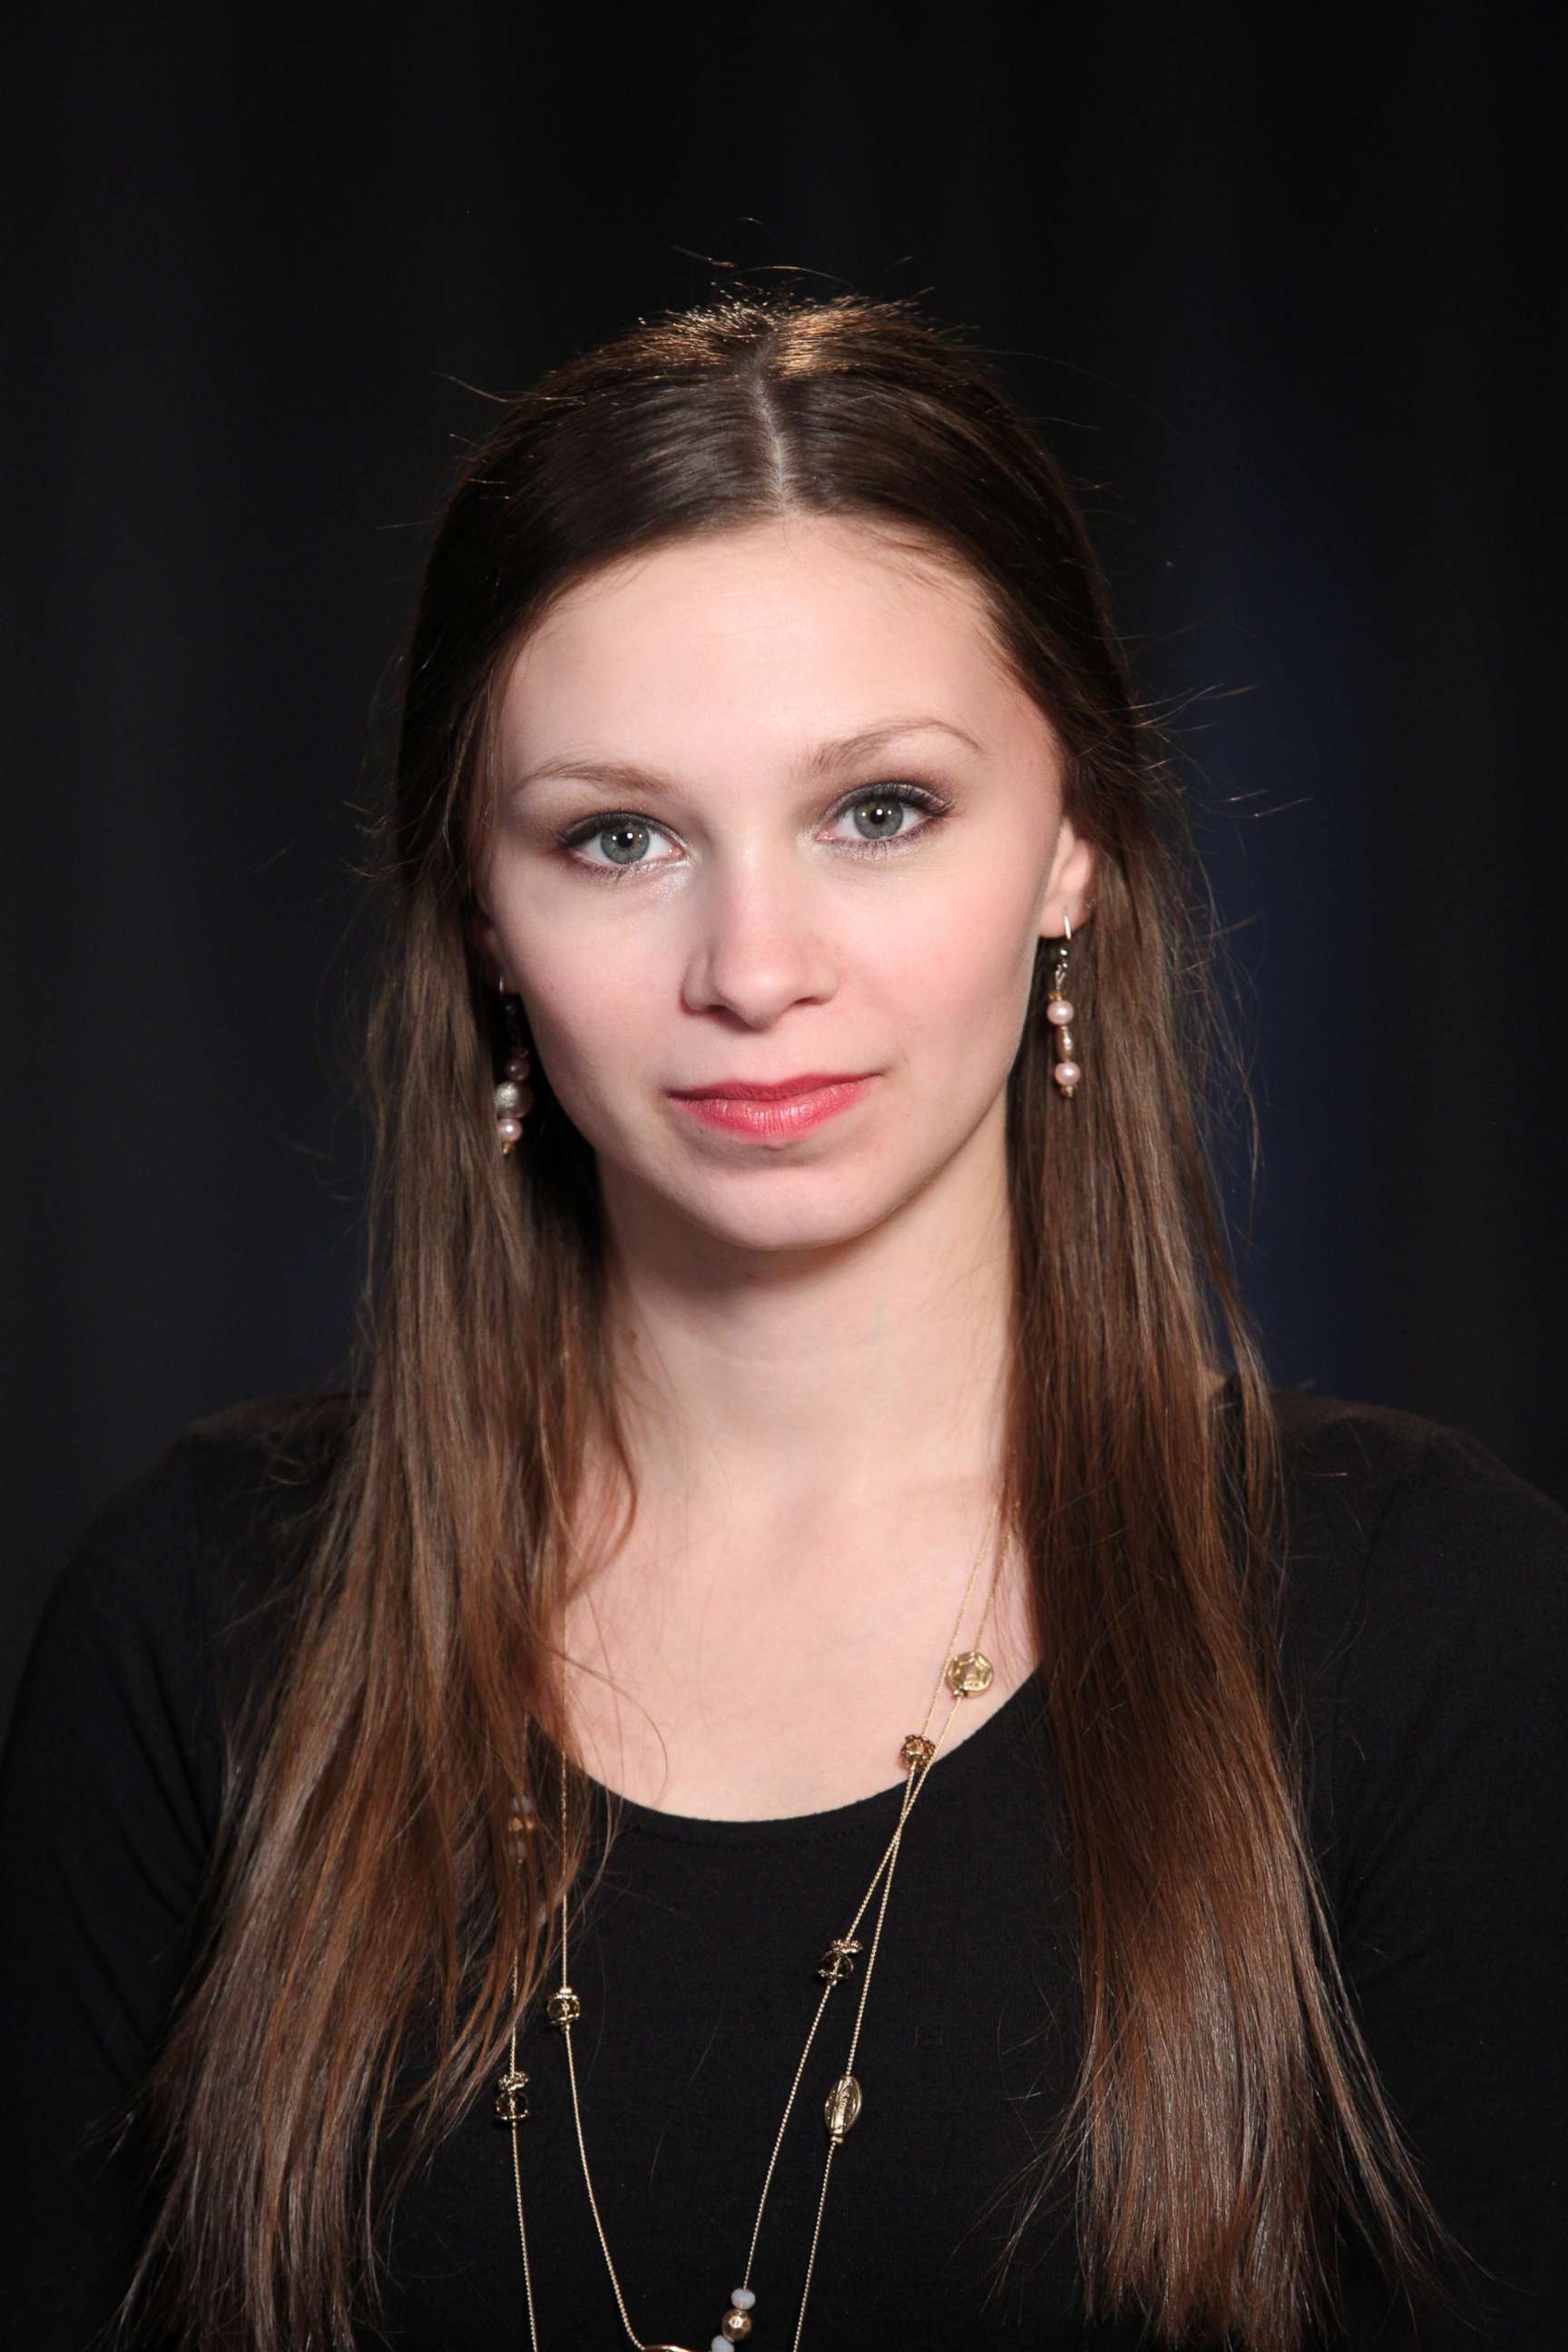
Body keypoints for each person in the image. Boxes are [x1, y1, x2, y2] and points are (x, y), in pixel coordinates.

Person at [1, 289, 1564, 2352]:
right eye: (619, 836)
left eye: (879, 811)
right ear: (484, 916)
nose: (755, 965)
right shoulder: (197, 1619)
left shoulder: (1431, 1619)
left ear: (1074, 841)